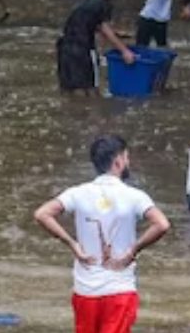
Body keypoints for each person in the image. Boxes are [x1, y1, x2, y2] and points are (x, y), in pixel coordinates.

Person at [33, 134, 171, 333]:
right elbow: (162, 224)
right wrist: (133, 251)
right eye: (127, 157)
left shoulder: (78, 193)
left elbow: (42, 214)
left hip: (85, 290)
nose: (128, 162)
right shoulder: (134, 196)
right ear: (118, 161)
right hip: (119, 289)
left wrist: (72, 244)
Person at [57, 0, 136, 95]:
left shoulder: (84, 2)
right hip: (83, 50)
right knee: (91, 89)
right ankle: (94, 112)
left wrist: (117, 34)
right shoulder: (102, 4)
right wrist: (125, 51)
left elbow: (89, 24)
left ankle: (70, 112)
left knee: (69, 90)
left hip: (64, 49)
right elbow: (105, 29)